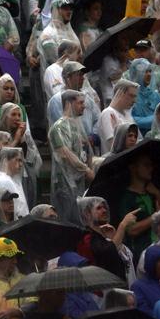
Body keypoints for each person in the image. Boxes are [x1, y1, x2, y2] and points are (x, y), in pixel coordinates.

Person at [49, 90, 93, 225]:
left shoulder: (77, 125)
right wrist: (86, 170)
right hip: (65, 184)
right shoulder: (58, 127)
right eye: (80, 103)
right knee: (68, 221)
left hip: (78, 181)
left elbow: (85, 151)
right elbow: (67, 154)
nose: (83, 106)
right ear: (69, 103)